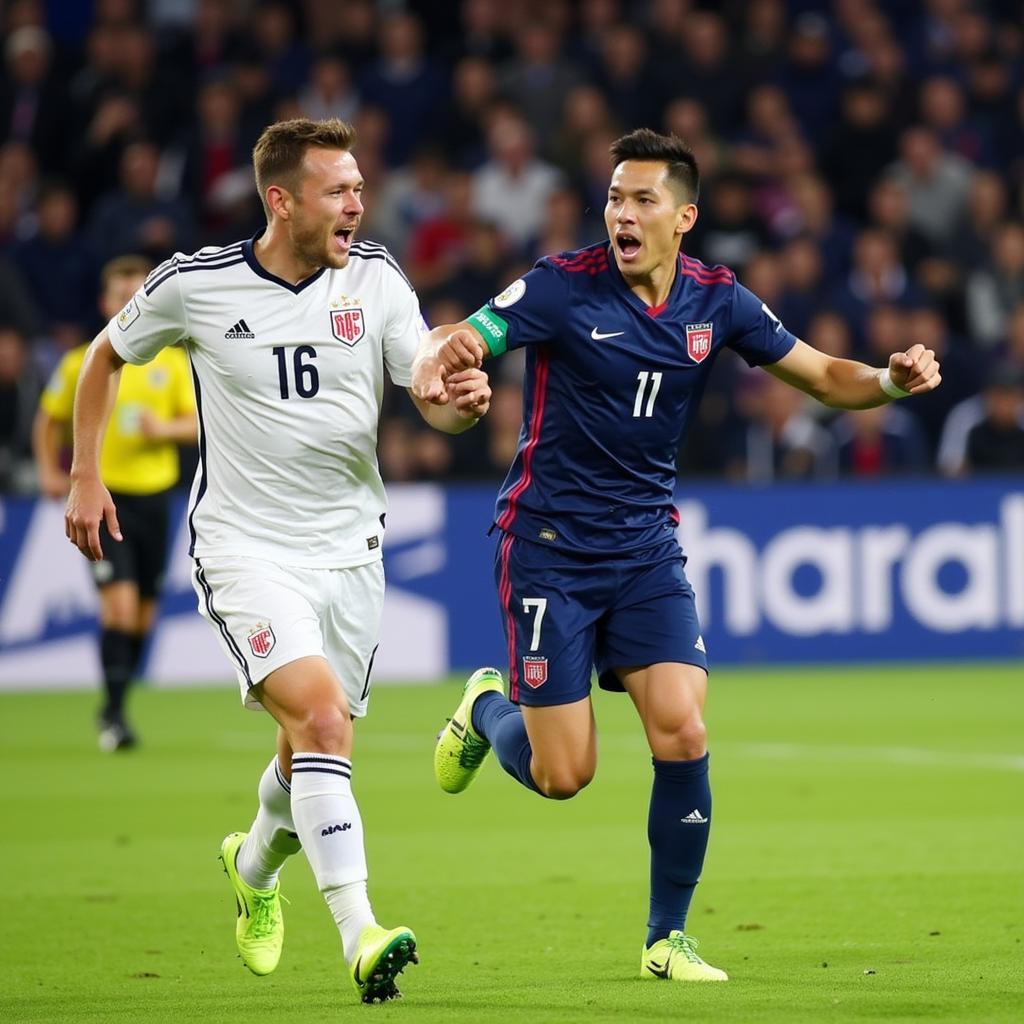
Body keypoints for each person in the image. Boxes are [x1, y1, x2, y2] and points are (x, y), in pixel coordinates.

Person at [413, 128, 941, 984]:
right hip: (548, 548)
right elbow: (469, 332)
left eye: (642, 199)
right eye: (615, 198)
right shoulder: (559, 287)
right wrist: (454, 357)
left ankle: (668, 937)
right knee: (563, 775)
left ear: (684, 216)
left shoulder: (719, 300)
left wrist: (888, 379)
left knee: (684, 727)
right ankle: (484, 709)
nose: (622, 213)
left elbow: (819, 374)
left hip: (647, 547)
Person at [63, 118, 491, 1003]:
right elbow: (104, 356)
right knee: (325, 724)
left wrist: (461, 400)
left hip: (351, 553)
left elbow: (426, 390)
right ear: (281, 200)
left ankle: (252, 869)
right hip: (245, 549)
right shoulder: (197, 285)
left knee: (308, 750)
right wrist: (83, 474)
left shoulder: (374, 278)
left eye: (361, 188)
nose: (359, 205)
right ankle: (360, 933)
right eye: (340, 191)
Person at [34, 255, 198, 751]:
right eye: (122, 294)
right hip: (108, 498)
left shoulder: (170, 364)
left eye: (138, 293)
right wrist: (50, 470)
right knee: (120, 610)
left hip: (156, 502)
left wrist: (162, 429)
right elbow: (47, 420)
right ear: (106, 303)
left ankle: (116, 706)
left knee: (144, 616)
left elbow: (195, 424)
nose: (131, 302)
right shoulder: (83, 361)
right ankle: (112, 715)